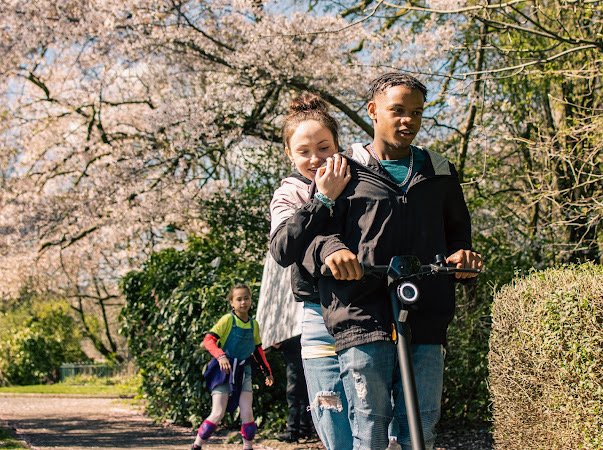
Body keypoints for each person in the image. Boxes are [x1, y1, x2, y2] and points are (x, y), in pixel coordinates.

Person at [293, 73, 483, 450]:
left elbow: (458, 234)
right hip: (362, 316)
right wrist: (333, 250)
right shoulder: (343, 171)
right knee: (370, 427)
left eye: (416, 112)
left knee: (421, 427)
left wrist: (462, 258)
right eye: (397, 110)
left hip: (425, 314)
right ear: (373, 111)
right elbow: (313, 236)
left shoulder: (439, 171)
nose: (407, 120)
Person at [269, 92, 355, 450]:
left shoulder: (359, 180)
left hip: (364, 307)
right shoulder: (288, 194)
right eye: (303, 151)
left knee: (372, 408)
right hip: (316, 312)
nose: (315, 158)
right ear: (290, 154)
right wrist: (322, 199)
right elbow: (283, 249)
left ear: (338, 146)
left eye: (324, 147)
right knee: (329, 404)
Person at [191, 284, 274, 450]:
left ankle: (248, 447)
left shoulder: (254, 325)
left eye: (246, 298)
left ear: (251, 300)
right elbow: (208, 340)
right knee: (217, 413)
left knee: (247, 412)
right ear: (232, 303)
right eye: (239, 299)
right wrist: (221, 356)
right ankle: (196, 446)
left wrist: (267, 373)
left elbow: (257, 351)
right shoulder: (227, 320)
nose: (243, 302)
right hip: (224, 371)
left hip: (244, 372)